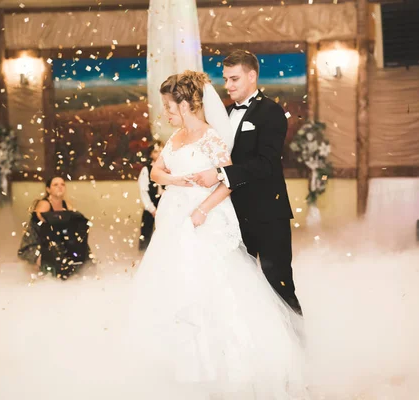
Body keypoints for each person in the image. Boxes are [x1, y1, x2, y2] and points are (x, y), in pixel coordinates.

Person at [124, 71, 305, 399]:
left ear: (184, 103)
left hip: (204, 218)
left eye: (168, 105)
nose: (164, 112)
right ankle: (190, 365)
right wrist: (179, 181)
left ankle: (228, 367)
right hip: (175, 219)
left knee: (213, 287)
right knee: (177, 288)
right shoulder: (175, 137)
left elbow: (229, 182)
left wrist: (202, 209)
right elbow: (156, 171)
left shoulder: (210, 137)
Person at [189, 50, 302, 315]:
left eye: (234, 79)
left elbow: (266, 163)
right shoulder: (223, 114)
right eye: (226, 79)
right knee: (241, 284)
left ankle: (298, 346)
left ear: (252, 76)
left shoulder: (271, 111)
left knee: (278, 281)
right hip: (231, 214)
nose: (228, 85)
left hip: (267, 213)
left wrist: (219, 174)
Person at [18, 176, 94, 278]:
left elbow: (74, 223)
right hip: (38, 243)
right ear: (48, 189)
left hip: (57, 241)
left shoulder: (67, 204)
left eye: (62, 184)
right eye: (55, 185)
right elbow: (45, 225)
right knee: (52, 257)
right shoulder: (44, 204)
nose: (60, 187)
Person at [137, 140, 163, 251]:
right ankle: (143, 254)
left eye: (162, 151)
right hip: (151, 204)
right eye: (156, 152)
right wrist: (152, 209)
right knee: (147, 232)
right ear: (151, 154)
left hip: (165, 203)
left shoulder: (168, 169)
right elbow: (143, 191)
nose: (159, 154)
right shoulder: (146, 169)